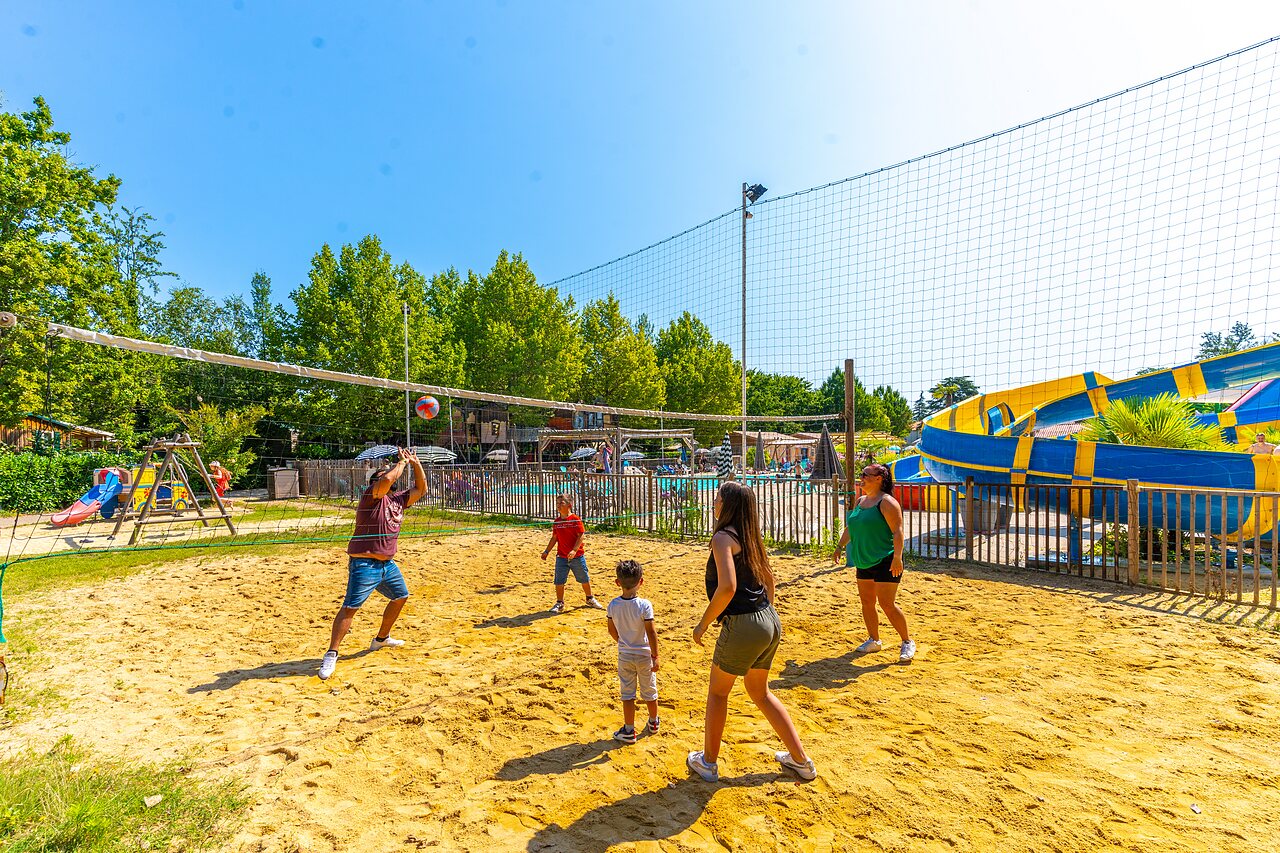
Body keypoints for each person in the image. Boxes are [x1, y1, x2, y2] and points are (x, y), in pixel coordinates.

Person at [688, 481, 816, 783]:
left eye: (718, 497)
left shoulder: (722, 538)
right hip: (768, 620)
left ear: (727, 505)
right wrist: (764, 612)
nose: (714, 501)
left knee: (718, 693)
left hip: (745, 623)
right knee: (760, 692)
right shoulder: (750, 536)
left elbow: (728, 588)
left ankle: (707, 762)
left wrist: (704, 623)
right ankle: (801, 761)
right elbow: (769, 579)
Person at [318, 448, 426, 680]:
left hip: (387, 564)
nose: (388, 475)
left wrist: (415, 463)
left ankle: (381, 639)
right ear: (374, 483)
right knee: (351, 607)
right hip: (364, 563)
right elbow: (388, 478)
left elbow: (421, 488)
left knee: (401, 596)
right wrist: (401, 462)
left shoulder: (398, 500)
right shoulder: (371, 496)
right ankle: (332, 653)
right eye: (383, 474)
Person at [833, 463, 915, 663]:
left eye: (865, 474)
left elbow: (898, 532)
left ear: (879, 478)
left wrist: (897, 557)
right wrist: (839, 546)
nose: (862, 477)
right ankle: (874, 640)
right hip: (864, 559)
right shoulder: (861, 501)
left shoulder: (887, 502)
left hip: (886, 559)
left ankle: (907, 641)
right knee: (867, 603)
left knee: (887, 604)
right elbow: (851, 527)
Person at [607, 559, 660, 743]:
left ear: (617, 583)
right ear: (641, 582)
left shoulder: (613, 605)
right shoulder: (645, 605)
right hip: (645, 655)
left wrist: (622, 642)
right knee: (649, 690)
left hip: (625, 654)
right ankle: (653, 722)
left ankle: (629, 730)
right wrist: (655, 655)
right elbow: (651, 632)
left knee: (628, 693)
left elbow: (611, 630)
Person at [540, 493, 605, 613]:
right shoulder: (557, 521)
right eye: (557, 503)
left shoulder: (575, 519)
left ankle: (590, 598)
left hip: (577, 556)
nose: (558, 505)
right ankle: (560, 603)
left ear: (569, 505)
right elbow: (554, 538)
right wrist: (546, 551)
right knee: (559, 581)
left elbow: (581, 536)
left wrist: (574, 550)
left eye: (561, 503)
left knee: (584, 578)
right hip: (561, 557)